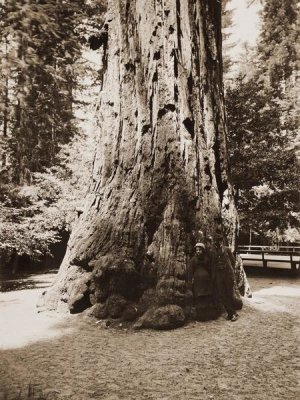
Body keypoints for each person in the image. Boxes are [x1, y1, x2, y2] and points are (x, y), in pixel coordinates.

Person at [212, 234, 239, 322]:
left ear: (221, 241)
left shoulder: (227, 250)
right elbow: (213, 264)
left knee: (229, 294)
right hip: (219, 276)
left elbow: (233, 261)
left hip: (228, 275)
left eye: (218, 240)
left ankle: (233, 313)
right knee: (222, 295)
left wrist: (229, 270)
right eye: (215, 240)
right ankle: (230, 313)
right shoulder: (213, 251)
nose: (217, 242)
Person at [189, 243, 215, 321]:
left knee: (206, 297)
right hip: (197, 281)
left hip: (206, 281)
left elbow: (210, 269)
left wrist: (211, 278)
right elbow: (191, 270)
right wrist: (190, 280)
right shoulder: (193, 259)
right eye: (197, 250)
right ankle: (200, 316)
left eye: (200, 250)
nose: (198, 251)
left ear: (203, 250)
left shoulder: (206, 259)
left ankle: (207, 316)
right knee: (199, 297)